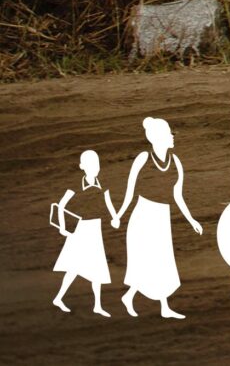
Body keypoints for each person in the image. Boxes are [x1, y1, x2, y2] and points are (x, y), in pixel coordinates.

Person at [116, 115, 200, 318]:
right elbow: (130, 191)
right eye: (169, 133)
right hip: (144, 213)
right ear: (158, 137)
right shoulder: (143, 158)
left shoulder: (176, 162)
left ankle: (161, 306)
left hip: (162, 216)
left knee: (163, 261)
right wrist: (119, 214)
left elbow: (177, 196)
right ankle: (132, 298)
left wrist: (192, 220)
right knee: (145, 259)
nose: (173, 136)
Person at [50, 148, 115, 315]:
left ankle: (97, 305)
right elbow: (61, 205)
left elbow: (108, 203)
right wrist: (63, 227)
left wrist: (115, 217)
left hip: (95, 228)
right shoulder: (75, 184)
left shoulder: (103, 184)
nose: (95, 167)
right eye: (90, 164)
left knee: (97, 268)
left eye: (97, 164)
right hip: (80, 229)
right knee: (73, 268)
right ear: (81, 166)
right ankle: (59, 297)